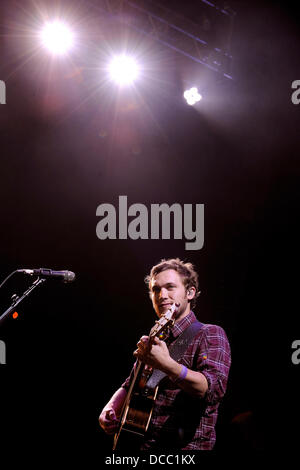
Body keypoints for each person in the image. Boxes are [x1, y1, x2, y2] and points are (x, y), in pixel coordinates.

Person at [99, 258, 231, 450]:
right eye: (156, 289)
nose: (162, 295)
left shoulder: (209, 333)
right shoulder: (156, 338)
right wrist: (110, 408)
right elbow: (130, 384)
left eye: (170, 287)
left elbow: (211, 390)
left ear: (190, 293)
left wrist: (166, 365)